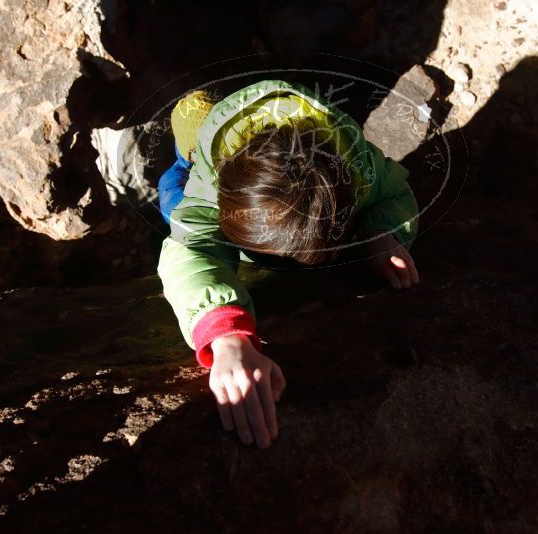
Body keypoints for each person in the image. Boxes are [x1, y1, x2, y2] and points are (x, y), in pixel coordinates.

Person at [157, 80, 420, 448]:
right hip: (202, 140)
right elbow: (190, 249)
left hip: (264, 138)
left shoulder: (360, 169)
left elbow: (396, 192)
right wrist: (226, 335)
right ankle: (183, 147)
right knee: (172, 200)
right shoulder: (212, 187)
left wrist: (380, 232)